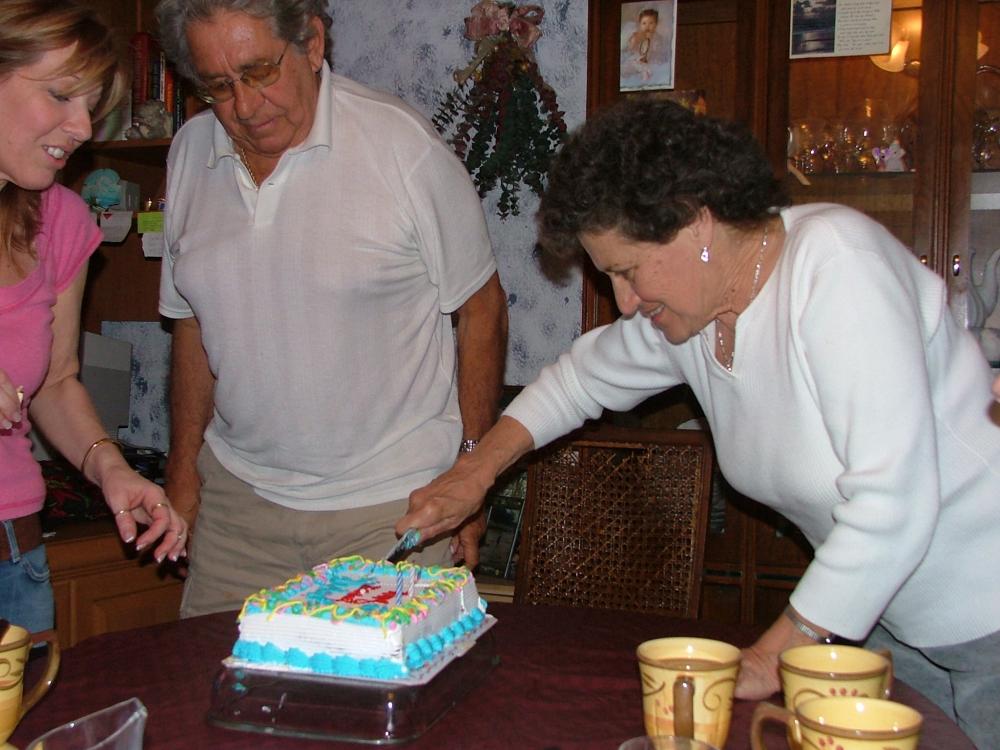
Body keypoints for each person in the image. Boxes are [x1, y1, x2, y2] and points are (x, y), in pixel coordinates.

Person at [398, 99, 1000, 748]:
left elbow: (893, 504)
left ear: (697, 222)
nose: (625, 301)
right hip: (887, 617)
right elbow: (577, 381)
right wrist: (475, 472)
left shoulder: (837, 267)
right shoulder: (696, 315)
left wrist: (771, 656)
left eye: (627, 272)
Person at [154, 0, 507, 618]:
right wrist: (183, 470)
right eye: (219, 86)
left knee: (379, 680)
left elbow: (483, 309)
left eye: (260, 72)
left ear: (313, 44)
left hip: (391, 511)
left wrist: (470, 472)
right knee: (214, 677)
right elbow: (191, 325)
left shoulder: (402, 148)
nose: (245, 106)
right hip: (238, 511)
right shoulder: (189, 153)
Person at [0, 0, 188, 634]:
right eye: (60, 95)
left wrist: (112, 469)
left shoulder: (61, 219)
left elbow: (55, 381)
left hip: (12, 554)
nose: (82, 127)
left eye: (91, 105)